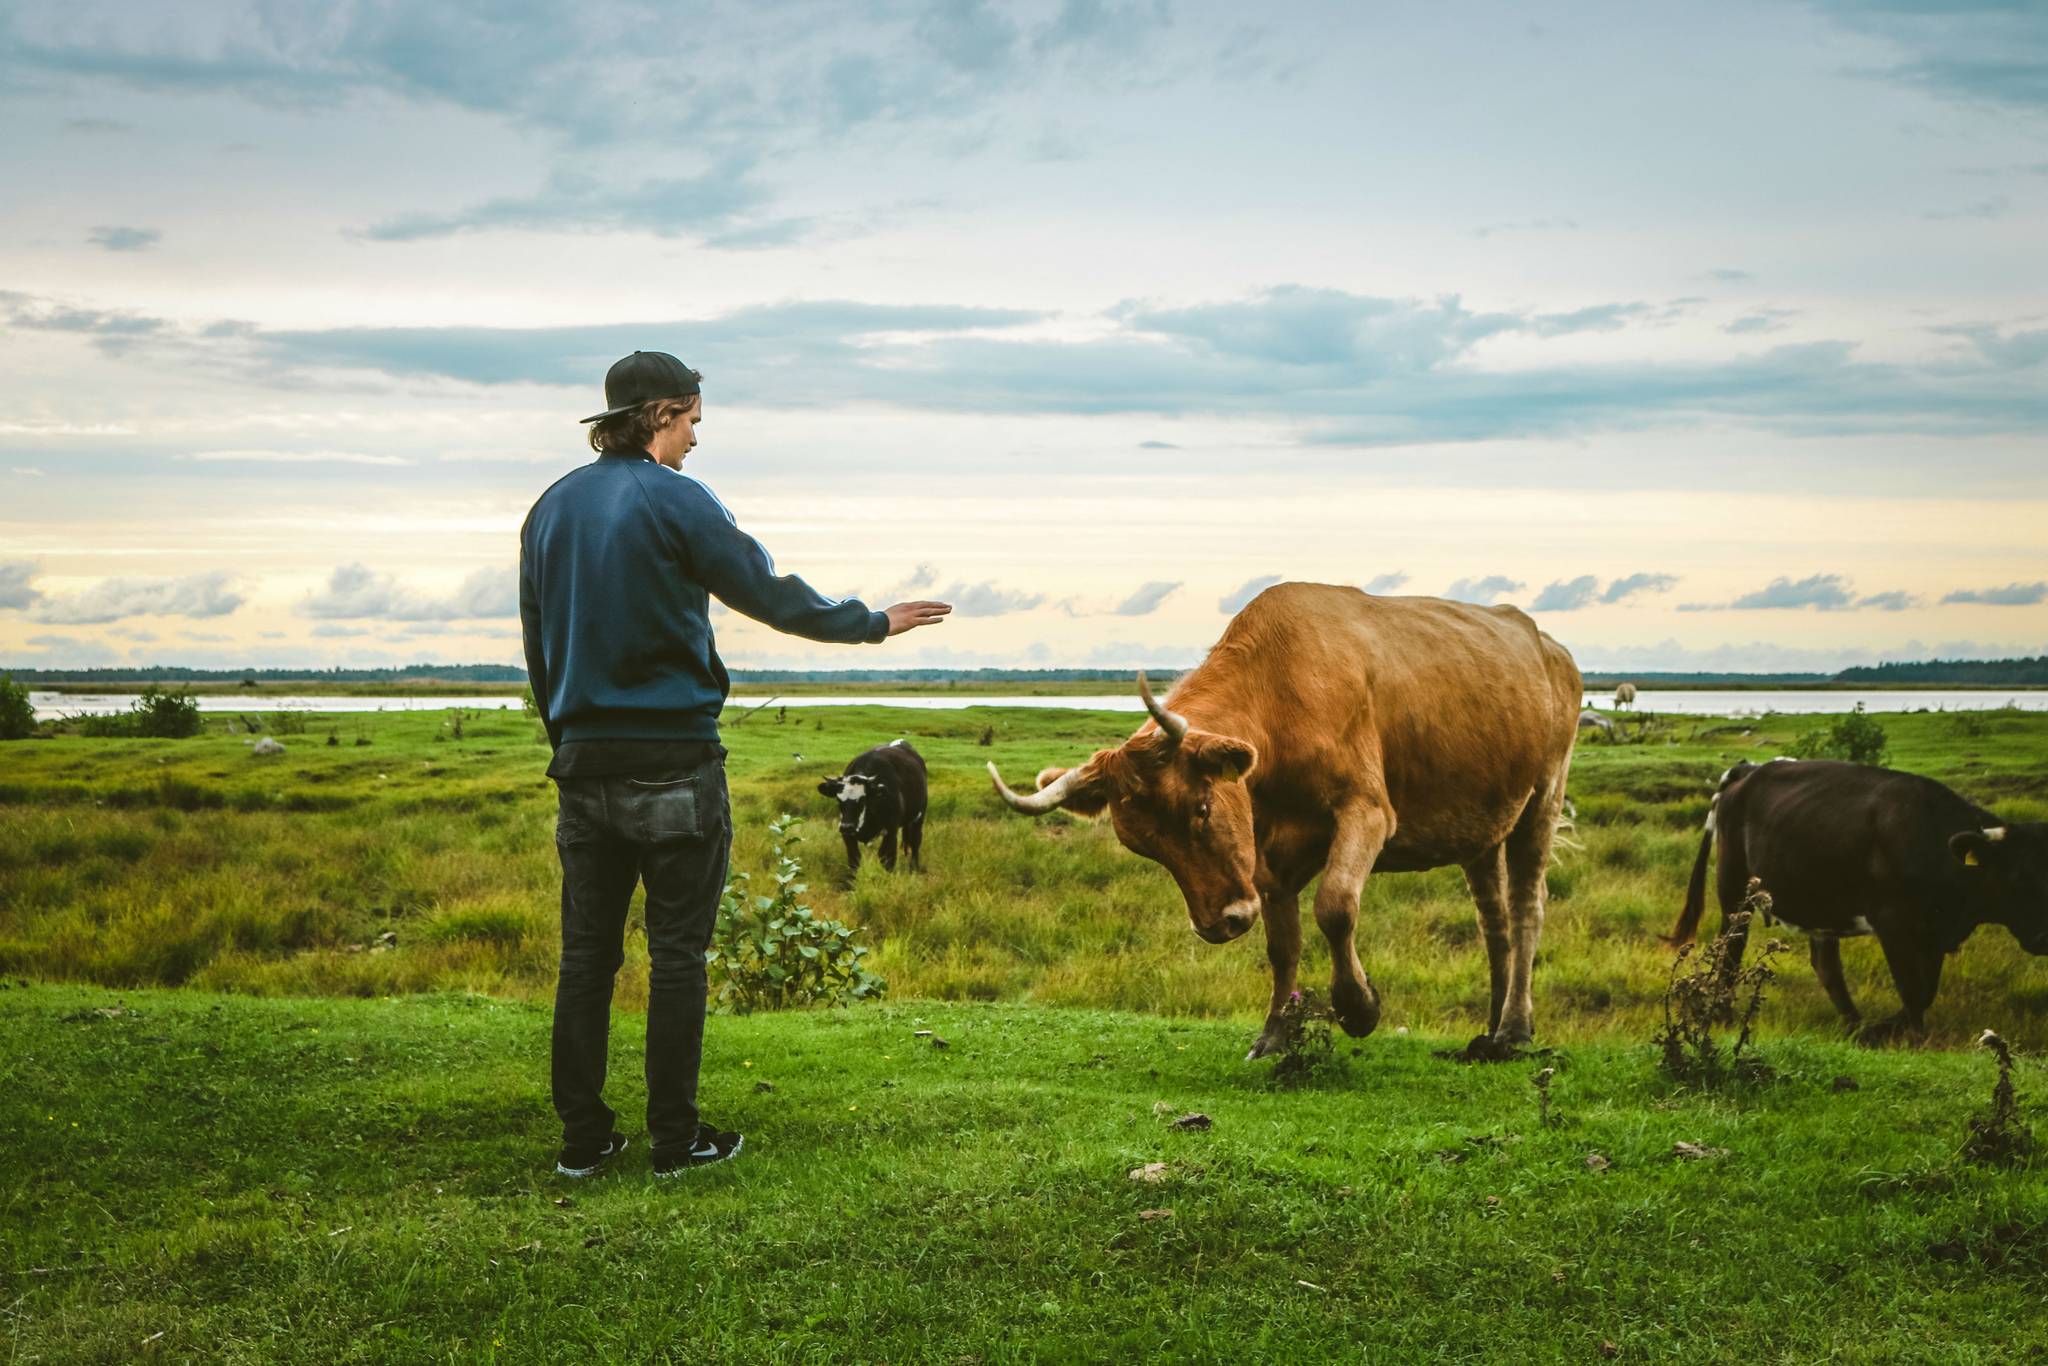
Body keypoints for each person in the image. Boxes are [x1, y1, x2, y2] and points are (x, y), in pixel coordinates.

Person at [520, 350, 950, 1178]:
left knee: (587, 959)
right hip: (676, 766)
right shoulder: (676, 499)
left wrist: (567, 744)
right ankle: (675, 1143)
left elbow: (541, 647)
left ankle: (584, 1142)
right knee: (677, 956)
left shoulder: (548, 508)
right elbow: (768, 593)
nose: (693, 442)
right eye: (690, 423)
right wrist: (873, 623)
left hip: (581, 768)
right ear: (658, 417)